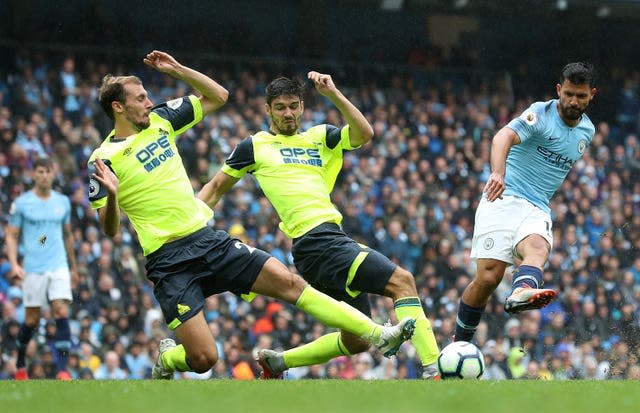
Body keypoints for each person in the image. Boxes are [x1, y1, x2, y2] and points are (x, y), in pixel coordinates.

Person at [88, 50, 415, 380]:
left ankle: (377, 334)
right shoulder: (103, 160)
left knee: (288, 282)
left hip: (207, 240)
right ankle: (169, 359)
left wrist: (177, 69)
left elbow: (218, 96)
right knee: (203, 358)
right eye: (141, 98)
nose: (148, 102)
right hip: (168, 260)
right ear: (118, 106)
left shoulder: (161, 121)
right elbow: (109, 229)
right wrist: (113, 197)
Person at [198, 73, 441, 379]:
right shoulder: (254, 146)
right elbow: (217, 186)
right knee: (402, 281)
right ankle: (434, 370)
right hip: (317, 241)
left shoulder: (319, 137)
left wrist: (334, 94)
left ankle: (279, 362)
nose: (288, 113)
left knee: (357, 342)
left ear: (302, 107)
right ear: (268, 110)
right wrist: (189, 223)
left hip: (325, 242)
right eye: (281, 107)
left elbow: (364, 134)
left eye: (294, 106)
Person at [453, 62, 597, 342]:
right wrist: (498, 172)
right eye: (568, 94)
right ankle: (458, 346)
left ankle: (521, 291)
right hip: (504, 196)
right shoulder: (540, 114)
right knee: (487, 279)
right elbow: (502, 136)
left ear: (592, 95)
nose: (573, 101)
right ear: (559, 90)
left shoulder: (587, 132)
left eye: (581, 96)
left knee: (538, 247)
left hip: (537, 206)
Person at [5, 156, 78, 380]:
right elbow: (11, 235)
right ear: (33, 175)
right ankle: (20, 364)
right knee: (31, 320)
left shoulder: (62, 202)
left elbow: (67, 235)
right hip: (34, 267)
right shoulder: (23, 203)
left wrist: (73, 267)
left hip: (58, 265)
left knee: (60, 311)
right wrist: (15, 263)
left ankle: (63, 370)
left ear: (52, 174)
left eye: (47, 171)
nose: (44, 175)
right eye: (40, 171)